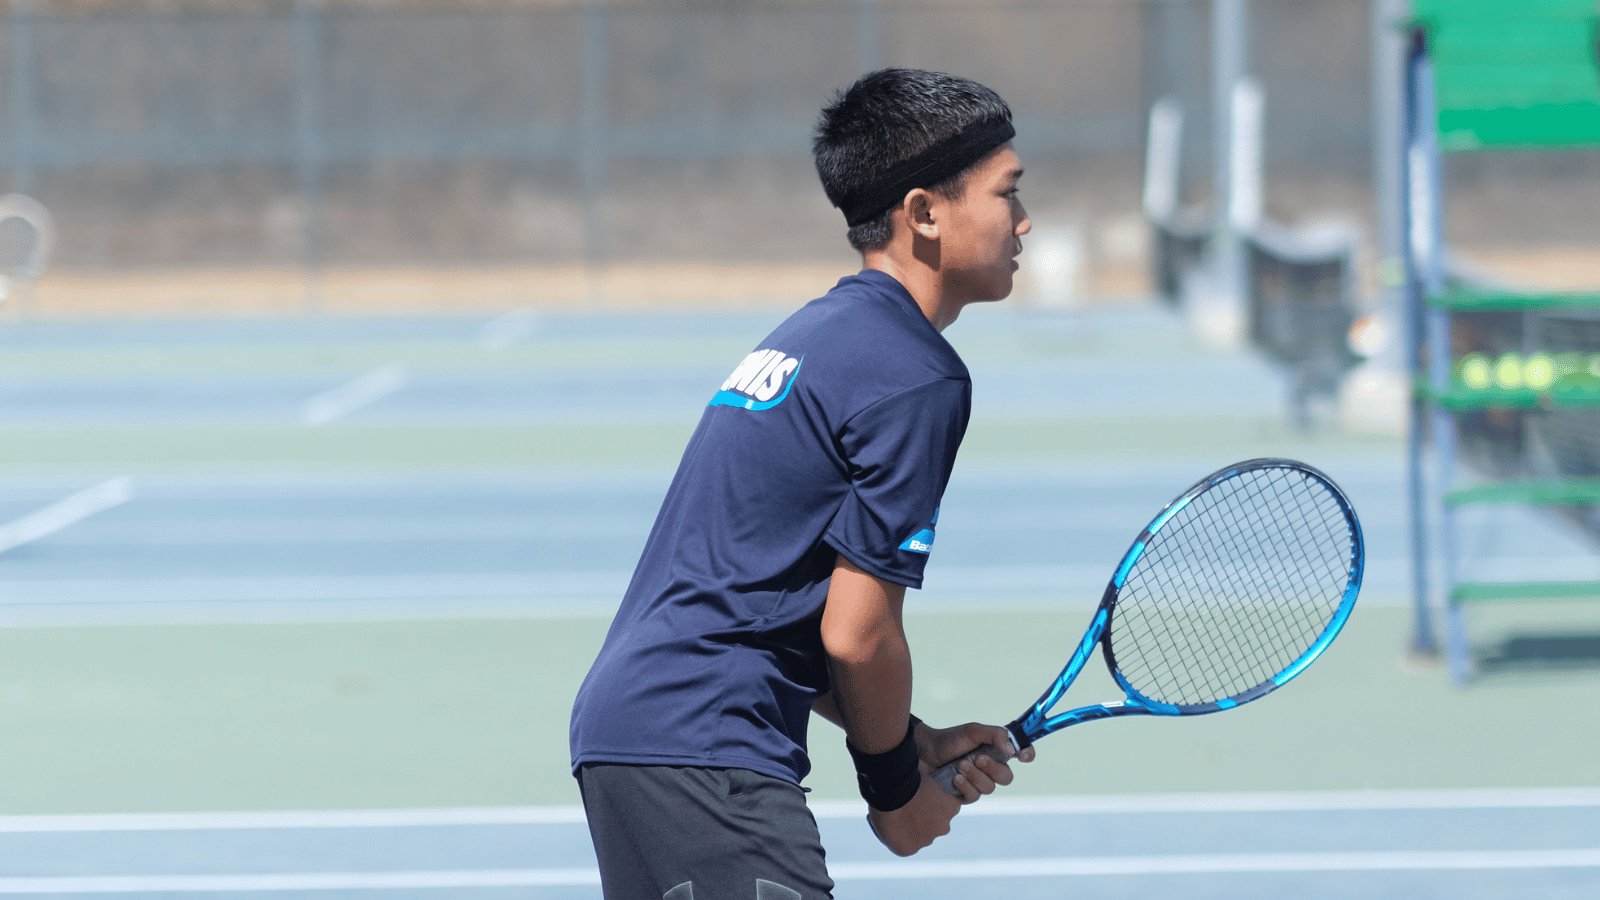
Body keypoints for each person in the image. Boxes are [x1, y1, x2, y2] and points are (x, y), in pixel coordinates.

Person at [569, 67, 1036, 900]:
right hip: (706, 750)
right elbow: (859, 633)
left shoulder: (819, 331)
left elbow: (766, 605)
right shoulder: (916, 375)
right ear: (925, 213)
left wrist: (911, 739)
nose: (1025, 222)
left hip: (637, 731)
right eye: (1008, 194)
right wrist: (894, 793)